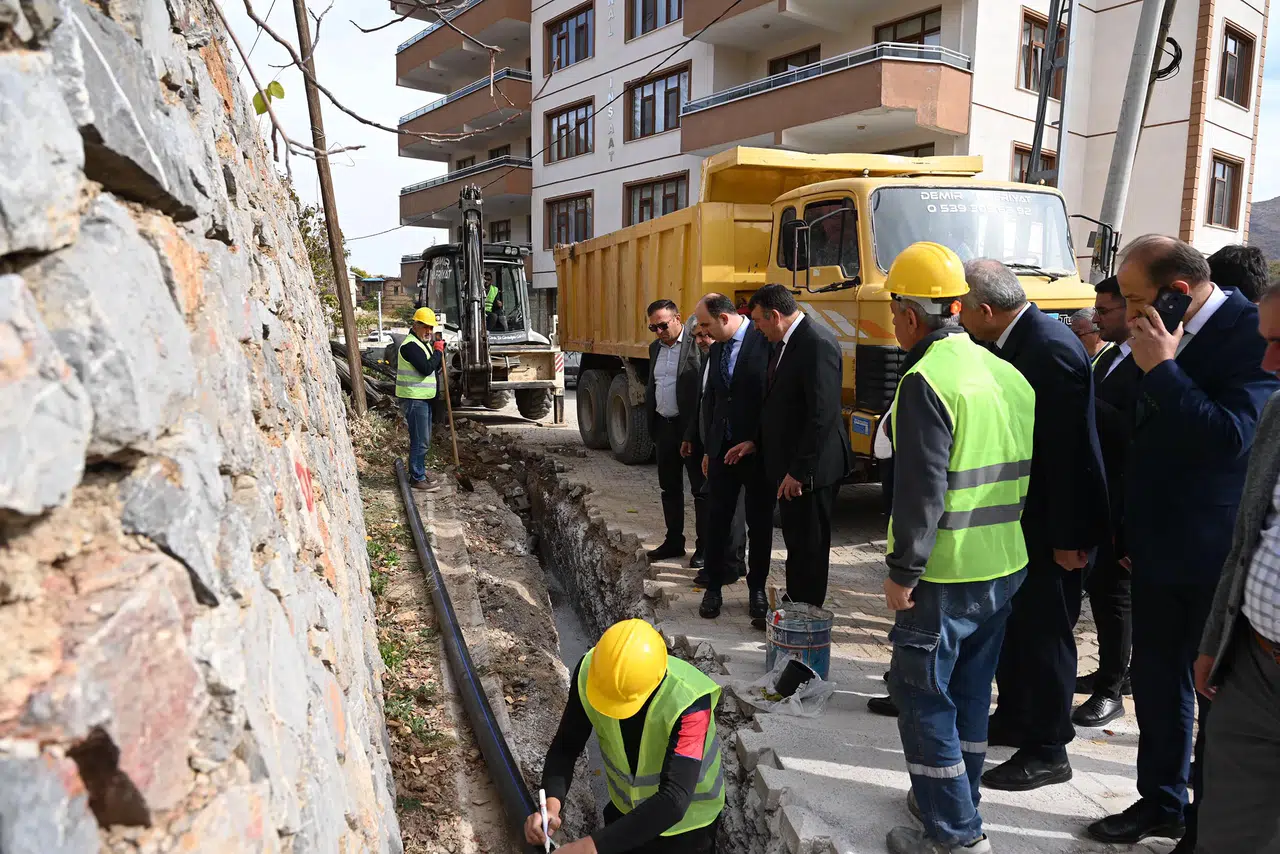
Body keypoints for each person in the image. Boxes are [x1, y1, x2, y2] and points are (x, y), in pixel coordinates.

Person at [1086, 236, 1280, 851]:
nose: (1127, 313)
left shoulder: (1253, 335)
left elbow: (1231, 439)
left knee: (1213, 696)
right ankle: (1160, 801)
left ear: (1176, 292)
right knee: (1156, 680)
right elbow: (1138, 438)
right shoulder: (1153, 337)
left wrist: (1164, 370)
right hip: (1154, 544)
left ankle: (1203, 823)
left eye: (1135, 299)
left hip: (1214, 553)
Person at [880, 243, 1034, 854]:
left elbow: (922, 490)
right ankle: (956, 799)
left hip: (944, 574)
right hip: (1003, 564)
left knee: (922, 698)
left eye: (893, 312)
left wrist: (902, 571)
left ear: (909, 315)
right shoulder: (1006, 372)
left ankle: (954, 835)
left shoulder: (926, 380)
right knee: (970, 693)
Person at [959, 260, 1109, 791]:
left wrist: (1070, 539)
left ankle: (1048, 748)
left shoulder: (1047, 349)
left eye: (961, 309)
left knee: (1046, 634)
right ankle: (1018, 717)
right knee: (1017, 628)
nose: (958, 319)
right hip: (1022, 522)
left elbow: (1070, 455)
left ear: (985, 310)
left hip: (1053, 528)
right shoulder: (1015, 341)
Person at [1194, 277, 1280, 854]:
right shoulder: (1277, 411)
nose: (1269, 363)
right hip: (1254, 664)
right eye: (1266, 341)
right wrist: (1215, 641)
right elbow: (1246, 537)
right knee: (1227, 833)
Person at [526, 619, 725, 854]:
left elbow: (674, 799)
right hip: (626, 815)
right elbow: (566, 747)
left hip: (688, 831)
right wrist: (551, 806)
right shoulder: (593, 674)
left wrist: (590, 846)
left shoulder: (690, 702)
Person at [751, 284, 852, 609]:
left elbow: (822, 415)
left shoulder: (816, 343)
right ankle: (795, 602)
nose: (756, 328)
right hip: (793, 467)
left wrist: (798, 471)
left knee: (810, 546)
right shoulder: (785, 343)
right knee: (796, 541)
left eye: (758, 321)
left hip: (812, 471)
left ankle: (806, 613)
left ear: (775, 316)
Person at [1073, 276, 1143, 729]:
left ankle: (1111, 690)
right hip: (1098, 496)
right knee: (1100, 593)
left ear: (1131, 310)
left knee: (1115, 598)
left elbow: (1134, 431)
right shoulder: (1109, 357)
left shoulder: (1148, 360)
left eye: (1105, 310)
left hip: (1124, 504)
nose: (1097, 319)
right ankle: (1110, 671)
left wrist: (1083, 400)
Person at [691, 293, 773, 621]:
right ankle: (713, 587)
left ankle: (757, 590)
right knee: (717, 520)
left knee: (760, 523)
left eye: (706, 324)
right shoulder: (718, 349)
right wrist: (710, 449)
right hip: (722, 451)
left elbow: (771, 399)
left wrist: (756, 440)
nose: (702, 331)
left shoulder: (763, 341)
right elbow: (713, 400)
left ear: (724, 319)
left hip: (756, 452)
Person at [643, 300, 706, 566]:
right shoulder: (655, 348)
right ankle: (674, 541)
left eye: (662, 325)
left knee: (700, 490)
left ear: (677, 318)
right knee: (669, 488)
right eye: (653, 328)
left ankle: (704, 547)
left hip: (690, 429)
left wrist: (692, 432)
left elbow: (702, 392)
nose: (659, 332)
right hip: (664, 427)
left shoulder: (696, 345)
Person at [685, 320, 747, 587]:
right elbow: (703, 402)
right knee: (720, 506)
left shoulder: (732, 357)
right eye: (696, 336)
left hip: (730, 444)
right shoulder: (711, 357)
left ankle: (729, 565)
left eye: (704, 334)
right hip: (711, 443)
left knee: (731, 508)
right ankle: (731, 562)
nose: (701, 340)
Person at [396, 307, 445, 491]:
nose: (429, 331)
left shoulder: (421, 344)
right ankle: (417, 478)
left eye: (431, 328)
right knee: (420, 440)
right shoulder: (410, 346)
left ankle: (420, 473)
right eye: (425, 327)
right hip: (414, 399)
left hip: (422, 399)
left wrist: (438, 353)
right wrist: (438, 352)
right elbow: (426, 368)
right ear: (415, 325)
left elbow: (432, 367)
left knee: (424, 439)